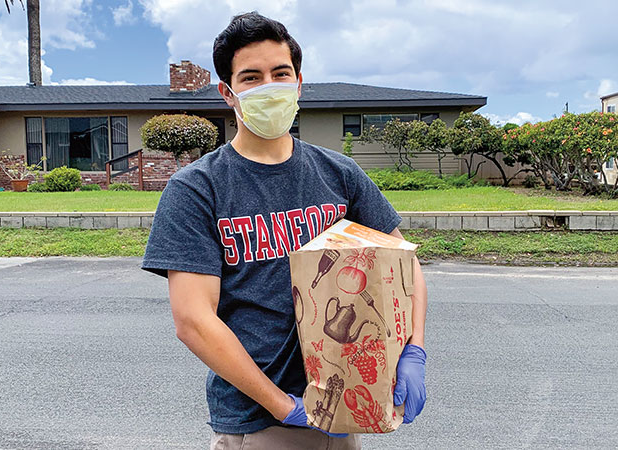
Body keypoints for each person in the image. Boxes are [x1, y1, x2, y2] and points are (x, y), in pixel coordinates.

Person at [140, 11, 428, 450]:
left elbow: (404, 265)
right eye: (251, 77)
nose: (269, 87)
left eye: (281, 73)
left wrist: (414, 351)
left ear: (298, 84)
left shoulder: (339, 174)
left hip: (345, 407)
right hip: (260, 421)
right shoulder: (198, 188)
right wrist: (283, 405)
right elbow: (193, 320)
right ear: (227, 92)